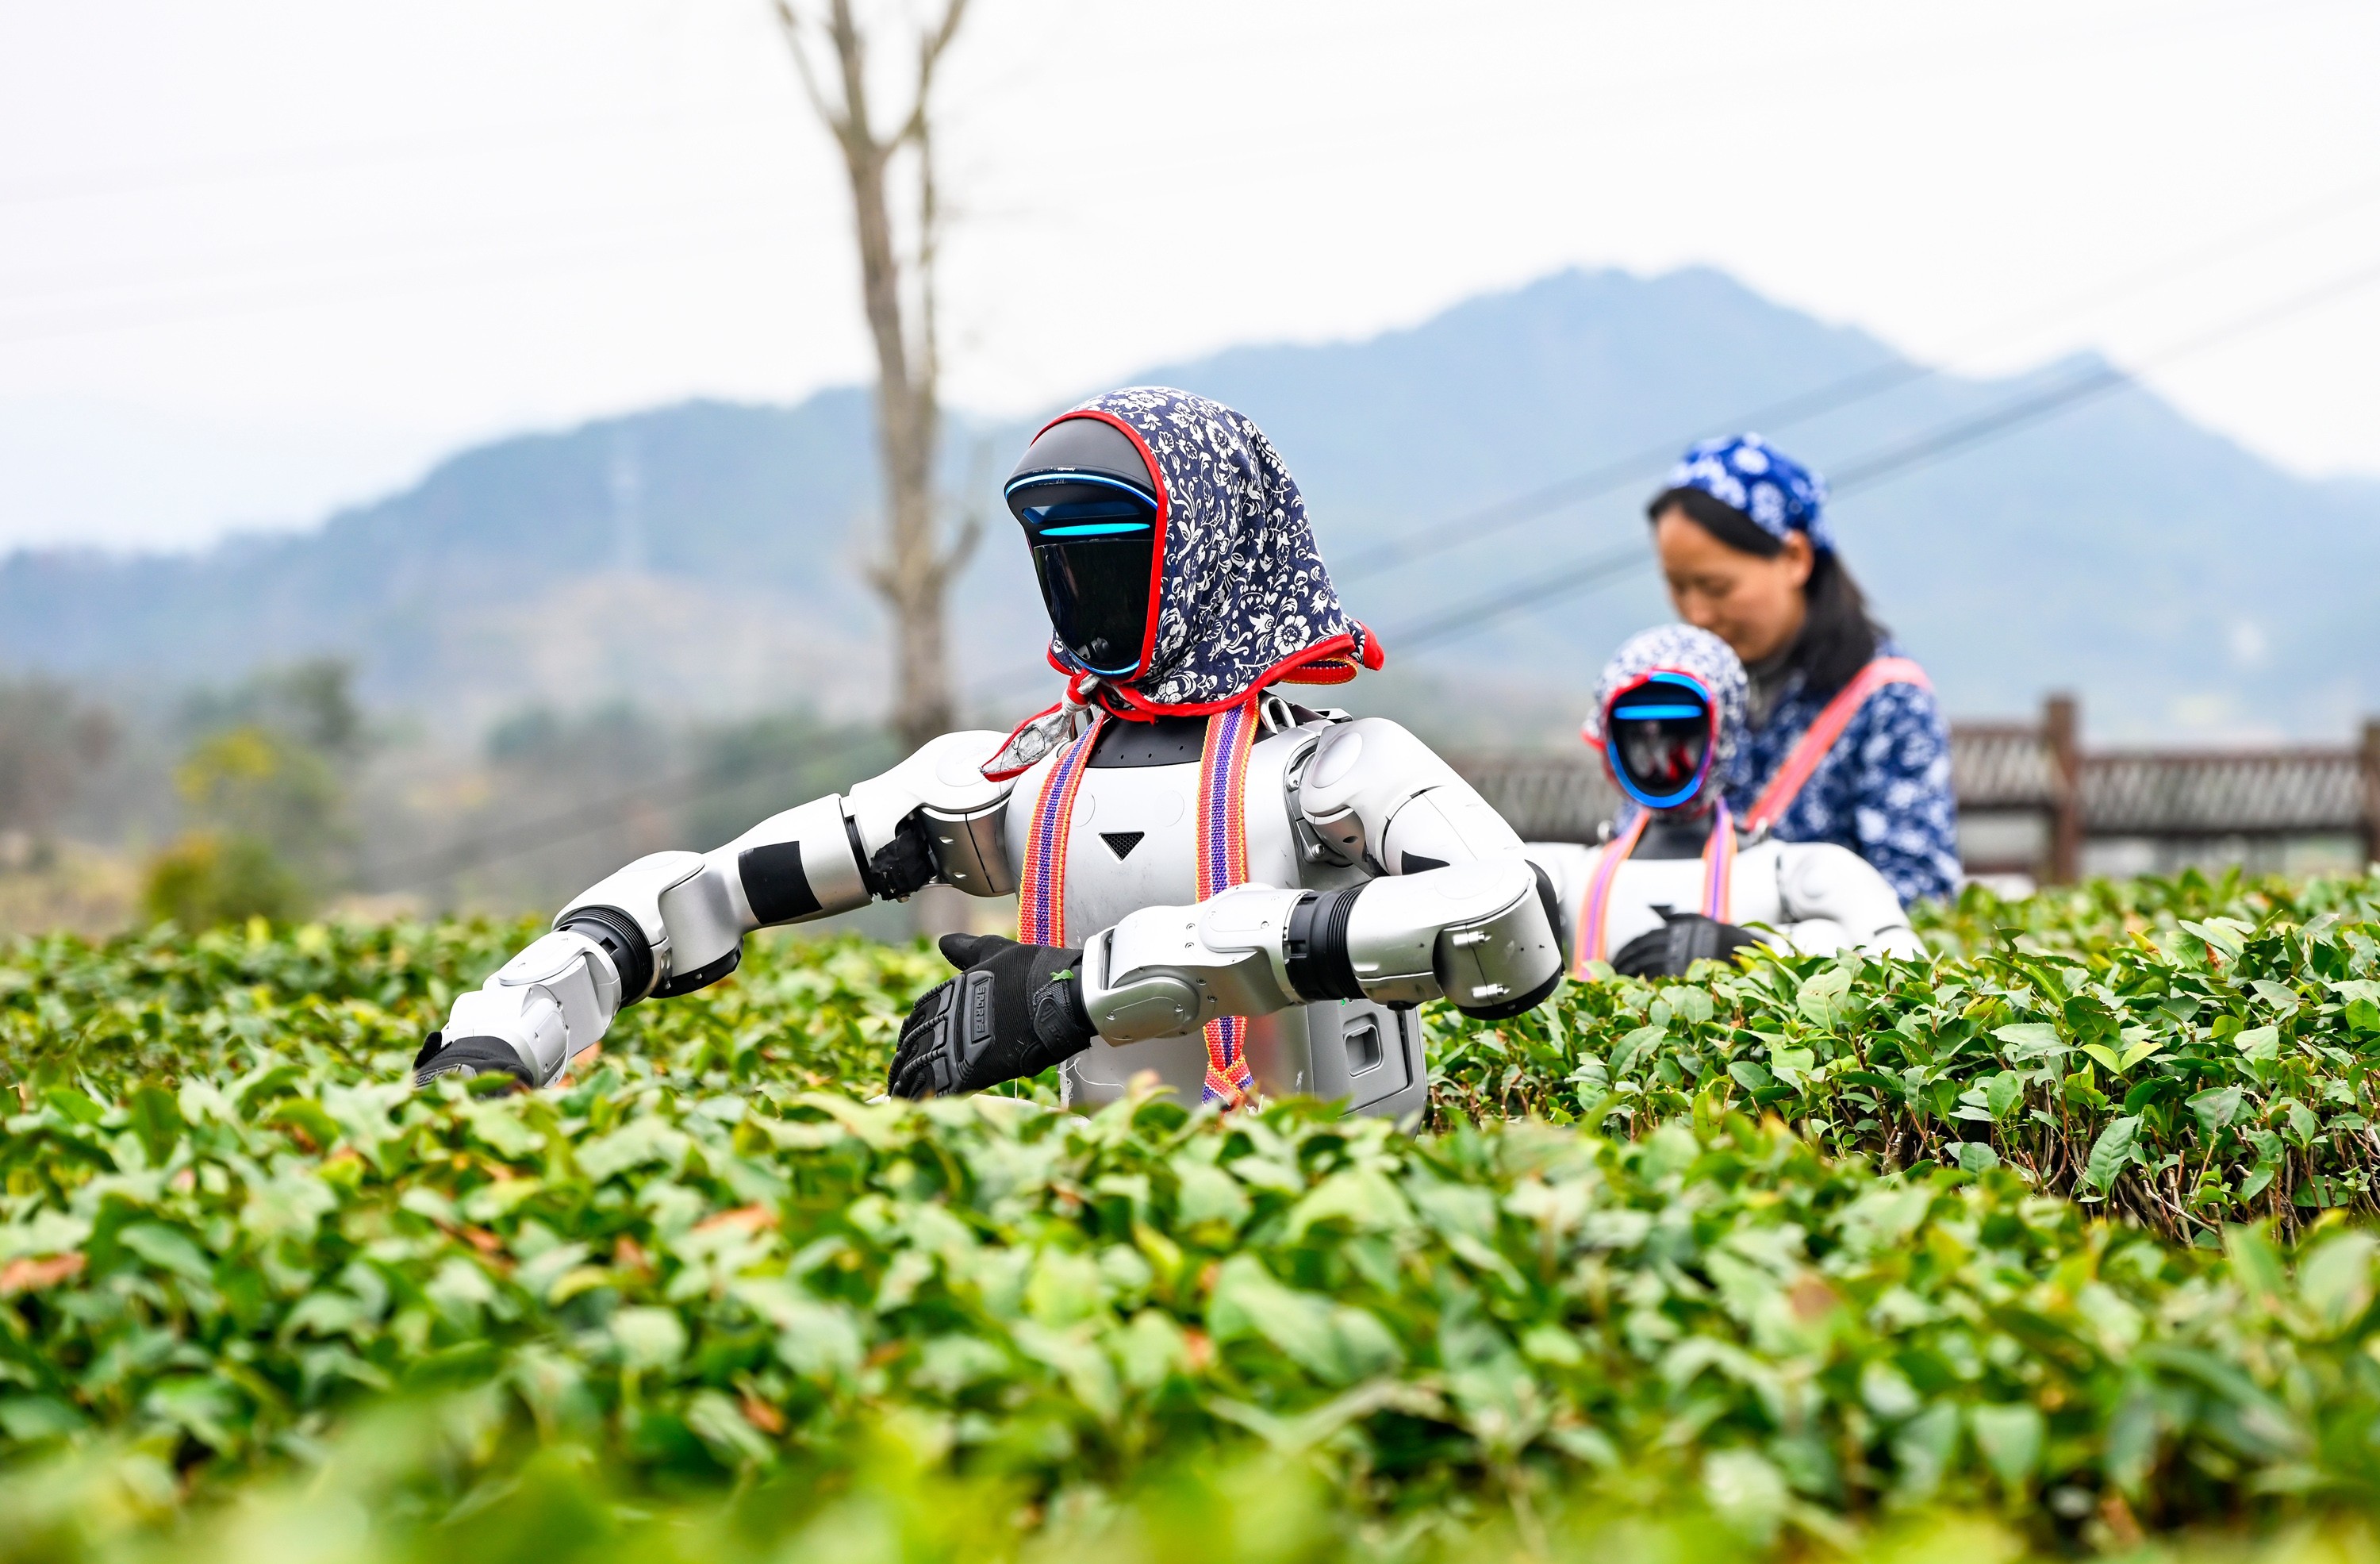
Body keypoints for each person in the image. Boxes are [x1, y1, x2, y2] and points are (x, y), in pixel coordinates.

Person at [412, 387, 1566, 1118]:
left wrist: (1093, 983)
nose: (1076, 582)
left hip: (1341, 1207)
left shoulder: (1339, 771)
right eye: (1053, 550)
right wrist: (514, 1020)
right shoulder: (1017, 777)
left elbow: (1513, 925)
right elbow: (706, 889)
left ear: (1209, 551)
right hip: (1091, 1215)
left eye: (1111, 547)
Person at [1649, 435, 1960, 905]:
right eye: (1678, 587)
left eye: (1716, 587)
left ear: (1794, 557)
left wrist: (1772, 942)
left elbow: (1922, 898)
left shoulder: (1885, 702)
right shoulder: (1675, 693)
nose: (1697, 614)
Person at [1530, 625, 1923, 978]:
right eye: (1639, 736)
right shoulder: (1566, 874)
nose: (1660, 757)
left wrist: (1757, 952)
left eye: (1679, 733)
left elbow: (1904, 970)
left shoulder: (1798, 873)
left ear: (1723, 733)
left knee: (1824, 935)